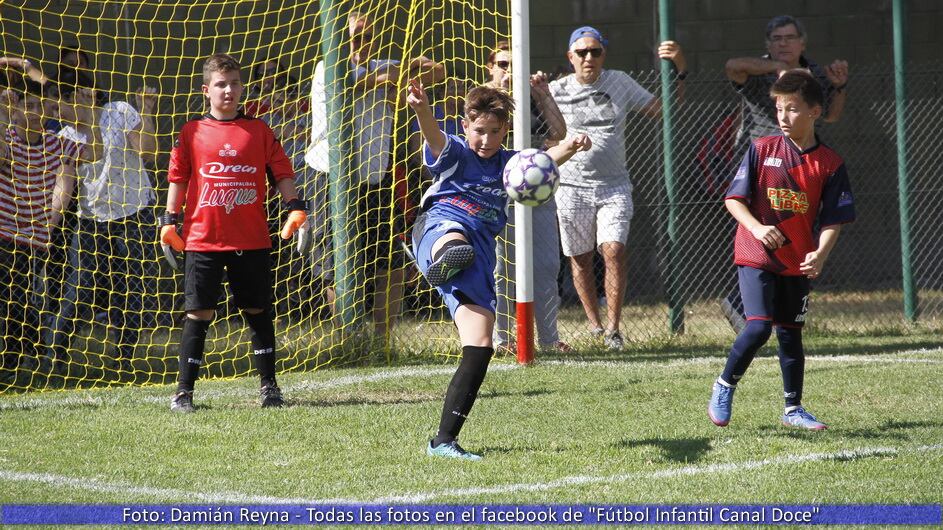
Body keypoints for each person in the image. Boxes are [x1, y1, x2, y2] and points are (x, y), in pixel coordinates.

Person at [407, 80, 591, 460]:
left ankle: (443, 441)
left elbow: (543, 161)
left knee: (479, 346)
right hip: (438, 227)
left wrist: (571, 146)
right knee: (454, 239)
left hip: (480, 253)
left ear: (505, 130)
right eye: (479, 131)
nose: (486, 139)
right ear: (465, 127)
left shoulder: (511, 164)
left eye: (494, 131)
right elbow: (433, 135)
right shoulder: (455, 151)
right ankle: (439, 262)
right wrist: (422, 109)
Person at [707, 70, 856, 431]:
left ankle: (793, 409)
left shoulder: (830, 164)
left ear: (814, 112)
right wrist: (757, 228)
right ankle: (724, 385)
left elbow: (833, 219)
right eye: (779, 108)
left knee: (790, 334)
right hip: (755, 253)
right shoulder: (761, 150)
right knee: (759, 327)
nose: (783, 117)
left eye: (792, 109)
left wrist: (819, 254)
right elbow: (734, 200)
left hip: (797, 260)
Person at [161, 53, 308, 412]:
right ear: (206, 90)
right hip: (202, 239)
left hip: (251, 239)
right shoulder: (192, 131)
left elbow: (282, 172)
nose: (229, 90)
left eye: (234, 83)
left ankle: (269, 388)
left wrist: (296, 207)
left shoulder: (258, 130)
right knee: (199, 313)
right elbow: (178, 178)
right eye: (221, 84)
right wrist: (168, 220)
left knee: (257, 310)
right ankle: (184, 393)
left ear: (242, 87)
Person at [305, 11, 444, 336]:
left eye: (367, 37)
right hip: (331, 179)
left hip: (376, 176)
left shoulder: (384, 65)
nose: (361, 44)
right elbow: (356, 82)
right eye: (354, 37)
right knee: (335, 263)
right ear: (338, 39)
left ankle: (381, 340)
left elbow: (439, 72)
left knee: (393, 262)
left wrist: (416, 64)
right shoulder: (328, 67)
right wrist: (398, 72)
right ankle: (349, 338)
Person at [549, 26, 686, 350]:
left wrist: (680, 70)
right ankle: (594, 326)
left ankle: (613, 329)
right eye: (581, 52)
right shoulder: (556, 90)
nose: (588, 57)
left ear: (603, 55)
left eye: (595, 51)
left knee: (614, 251)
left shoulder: (620, 81)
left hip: (614, 186)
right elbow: (541, 131)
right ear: (570, 57)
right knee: (579, 258)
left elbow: (663, 110)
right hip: (571, 185)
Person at [720, 15, 849, 333]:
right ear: (768, 44)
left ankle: (779, 312)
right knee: (757, 235)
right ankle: (745, 307)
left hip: (803, 162)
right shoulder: (757, 67)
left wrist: (839, 86)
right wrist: (778, 70)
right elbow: (732, 66)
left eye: (789, 38)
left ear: (802, 43)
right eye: (776, 39)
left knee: (800, 235)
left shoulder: (814, 73)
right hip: (763, 162)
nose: (783, 44)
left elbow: (831, 115)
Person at [43, 69, 159, 368]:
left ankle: (124, 356)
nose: (56, 110)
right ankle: (56, 351)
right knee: (81, 285)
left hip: (134, 212)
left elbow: (148, 152)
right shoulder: (64, 135)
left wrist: (146, 110)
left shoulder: (119, 111)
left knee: (130, 286)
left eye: (60, 103)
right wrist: (47, 224)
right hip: (91, 218)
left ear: (83, 96)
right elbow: (64, 184)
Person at [484, 40, 570, 354]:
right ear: (490, 67)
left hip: (536, 191)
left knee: (546, 265)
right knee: (502, 267)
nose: (509, 72)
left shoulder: (530, 99)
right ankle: (503, 339)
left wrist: (543, 93)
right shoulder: (483, 101)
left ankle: (548, 339)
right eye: (503, 65)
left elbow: (559, 132)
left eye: (514, 65)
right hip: (497, 192)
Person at [0, 80, 78, 375]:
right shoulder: (6, 137)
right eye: (27, 105)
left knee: (30, 294)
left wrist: (49, 223)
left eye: (39, 105)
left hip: (38, 230)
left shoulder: (59, 143)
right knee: (12, 294)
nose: (34, 111)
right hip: (4, 228)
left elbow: (64, 183)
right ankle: (23, 355)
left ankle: (31, 354)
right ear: (15, 109)